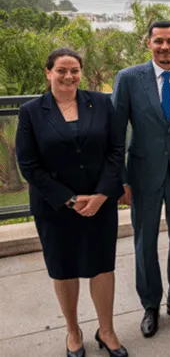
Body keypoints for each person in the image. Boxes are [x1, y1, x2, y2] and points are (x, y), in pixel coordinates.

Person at [16, 48, 128, 357]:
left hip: (100, 202)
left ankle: (106, 330)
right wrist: (69, 198)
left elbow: (117, 149)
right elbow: (28, 164)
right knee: (64, 268)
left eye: (74, 70)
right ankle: (73, 331)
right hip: (55, 207)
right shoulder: (31, 111)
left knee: (102, 266)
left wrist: (104, 193)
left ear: (81, 72)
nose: (68, 76)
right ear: (48, 72)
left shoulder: (102, 102)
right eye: (62, 70)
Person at [111, 21, 170, 337]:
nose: (165, 47)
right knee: (145, 241)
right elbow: (116, 133)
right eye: (159, 42)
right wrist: (120, 179)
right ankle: (150, 304)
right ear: (148, 43)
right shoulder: (128, 79)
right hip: (142, 174)